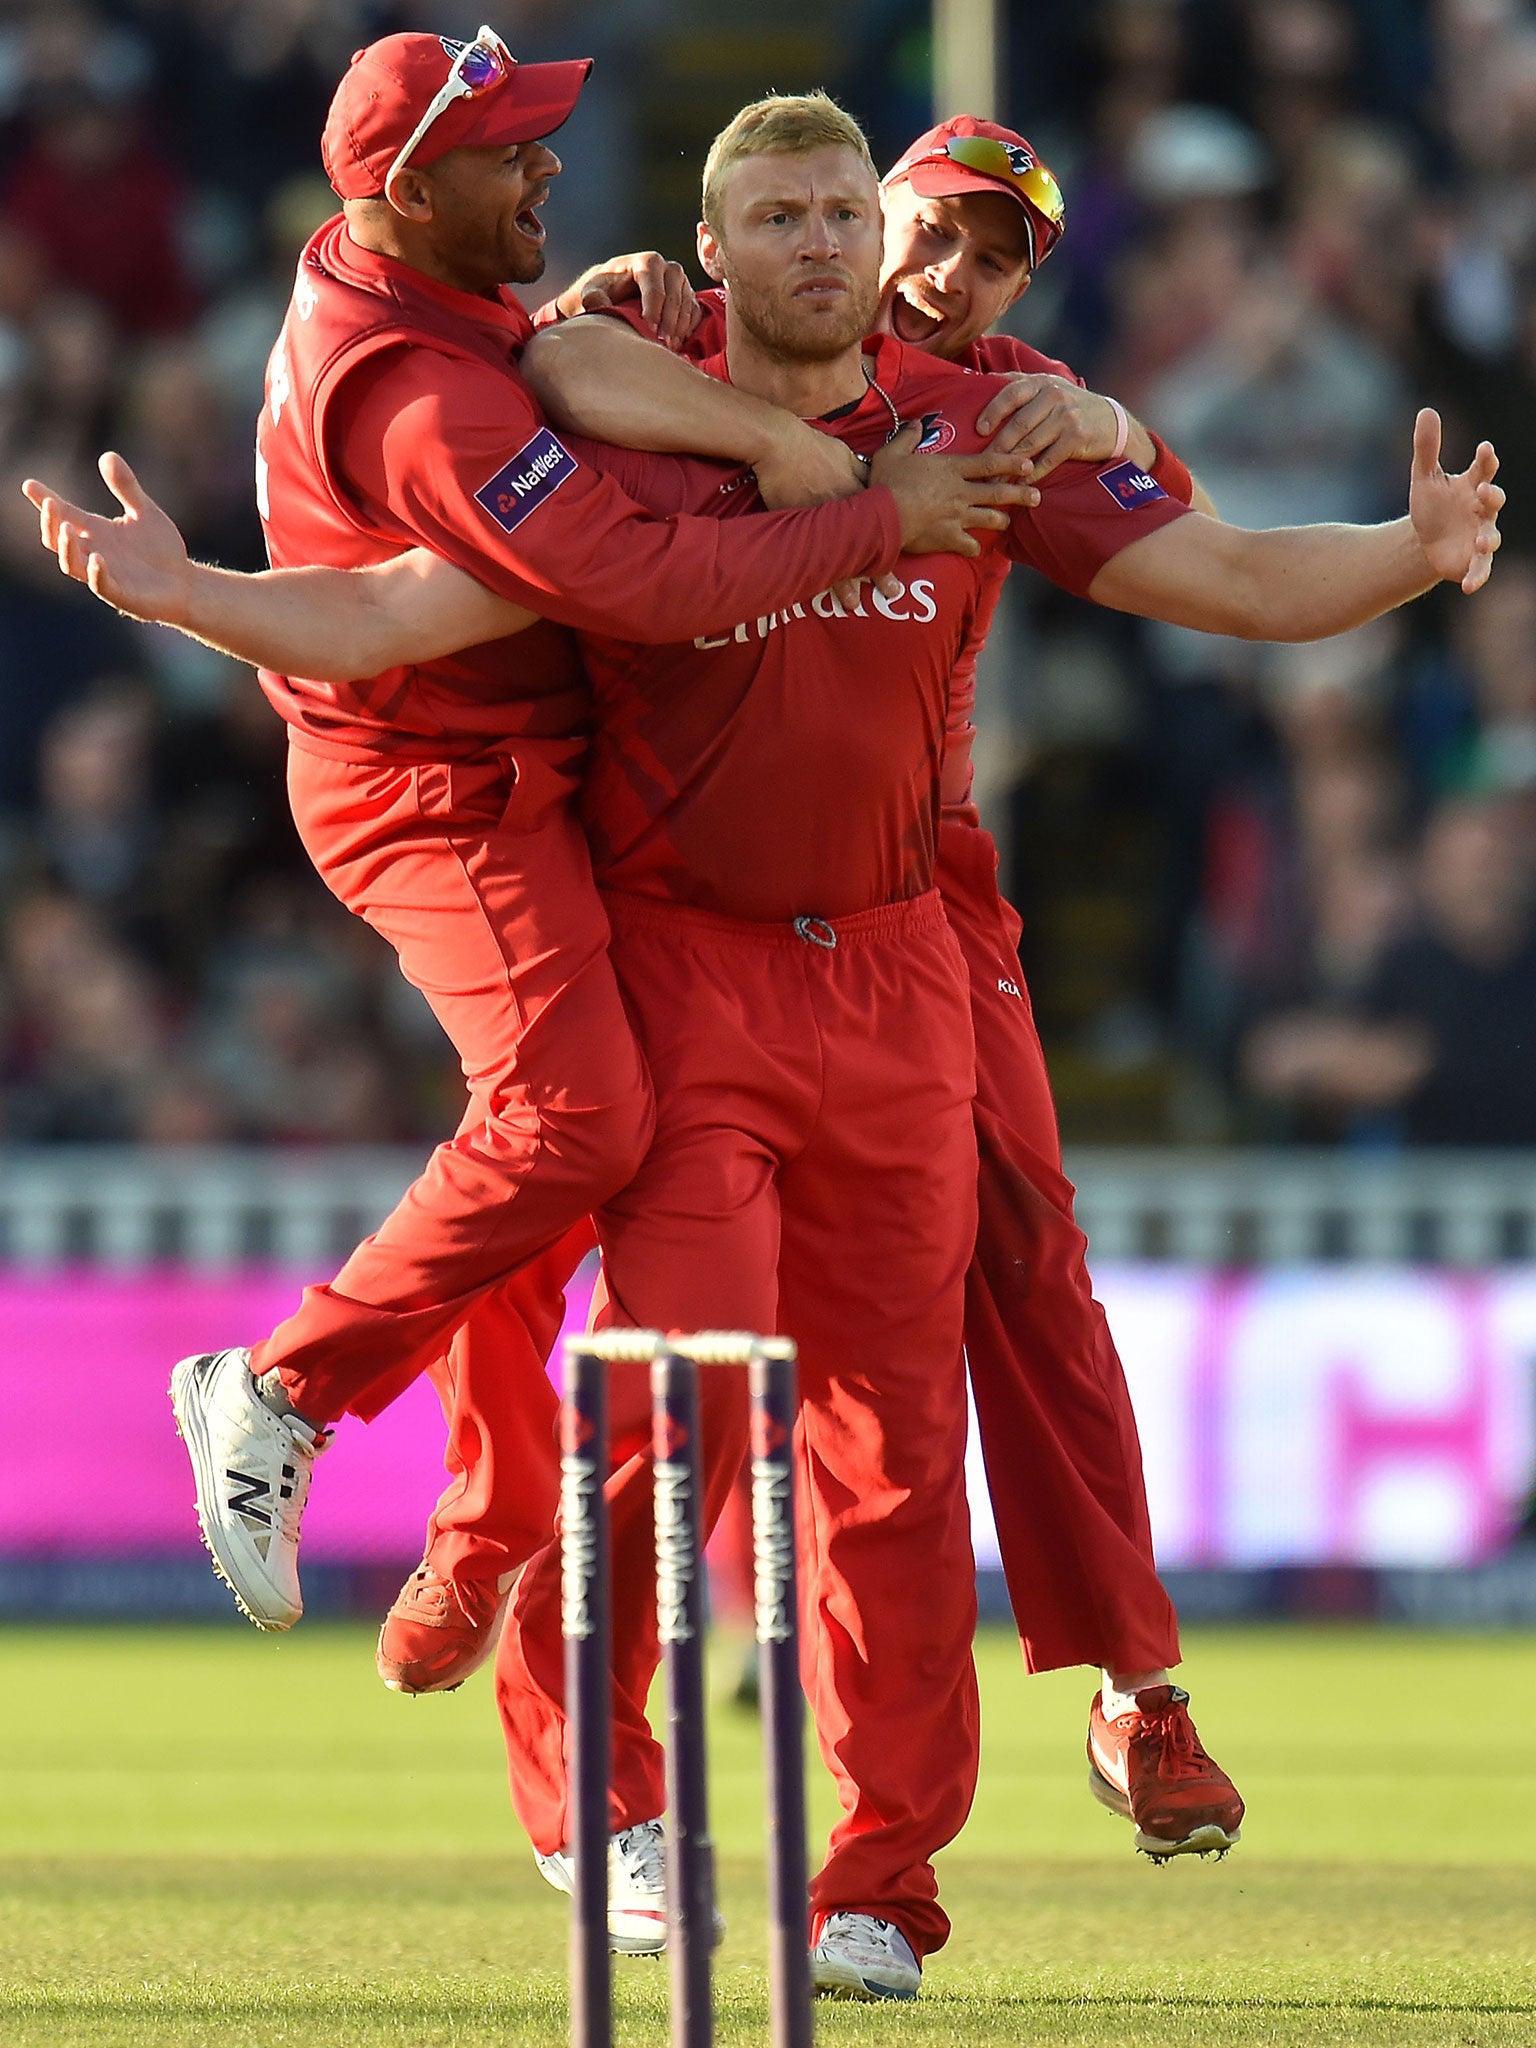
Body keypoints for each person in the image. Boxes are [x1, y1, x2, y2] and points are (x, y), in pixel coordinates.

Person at [33, 89, 1504, 1998]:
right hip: (686, 969)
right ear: (726, 249)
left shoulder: (997, 414)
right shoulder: (628, 372)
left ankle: (881, 1887)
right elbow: (420, 593)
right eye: (801, 215)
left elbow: (1223, 582)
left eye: (841, 211)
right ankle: (596, 1800)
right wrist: (198, 603)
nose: (837, 246)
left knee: (897, 1452)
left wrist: (1408, 549)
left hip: (895, 977)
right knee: (667, 1417)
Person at [87, 29, 1035, 1639]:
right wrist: (859, 504)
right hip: (450, 792)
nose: (545, 165)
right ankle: (281, 1391)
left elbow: (489, 491)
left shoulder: (429, 301)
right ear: (408, 185)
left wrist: (650, 355)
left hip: (545, 769)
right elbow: (623, 589)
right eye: (511, 147)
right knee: (578, 1122)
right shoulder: (414, 397)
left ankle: (485, 1538)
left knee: (587, 1173)